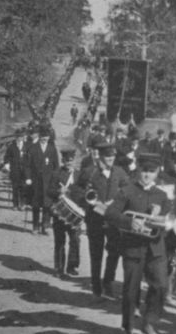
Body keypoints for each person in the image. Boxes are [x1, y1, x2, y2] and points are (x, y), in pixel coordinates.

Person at [104, 153, 172, 334]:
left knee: (160, 286)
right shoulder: (127, 191)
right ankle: (127, 327)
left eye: (151, 172)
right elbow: (110, 213)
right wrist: (129, 222)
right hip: (133, 247)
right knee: (130, 289)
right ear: (138, 170)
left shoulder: (162, 195)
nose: (147, 175)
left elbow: (168, 219)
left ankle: (149, 321)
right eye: (144, 171)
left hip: (156, 249)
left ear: (157, 173)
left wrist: (161, 215)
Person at [73, 141, 131, 300]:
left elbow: (128, 190)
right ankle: (96, 288)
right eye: (108, 156)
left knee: (114, 252)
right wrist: (88, 202)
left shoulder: (120, 172)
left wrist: (117, 202)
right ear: (100, 156)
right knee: (96, 254)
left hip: (113, 220)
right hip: (95, 219)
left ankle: (108, 282)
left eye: (113, 156)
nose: (111, 159)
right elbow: (76, 191)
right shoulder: (89, 172)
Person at [46, 148, 82, 277]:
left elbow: (83, 193)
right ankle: (59, 268)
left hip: (75, 214)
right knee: (59, 241)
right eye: (66, 161)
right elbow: (49, 191)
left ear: (75, 160)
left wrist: (72, 192)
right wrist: (59, 192)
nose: (69, 163)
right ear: (62, 161)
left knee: (75, 241)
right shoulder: (56, 174)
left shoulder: (79, 175)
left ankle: (72, 267)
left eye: (71, 161)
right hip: (60, 213)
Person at [25, 124, 59, 235]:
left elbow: (56, 166)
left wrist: (55, 180)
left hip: (48, 182)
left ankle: (45, 226)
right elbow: (27, 165)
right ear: (39, 136)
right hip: (36, 181)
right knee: (35, 205)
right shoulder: (32, 148)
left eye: (47, 136)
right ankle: (35, 226)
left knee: (46, 204)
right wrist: (28, 177)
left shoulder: (52, 149)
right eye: (43, 136)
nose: (45, 138)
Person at [3, 129, 28, 210]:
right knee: (15, 187)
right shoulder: (11, 147)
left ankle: (22, 203)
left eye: (21, 136)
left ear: (23, 137)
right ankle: (15, 204)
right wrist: (7, 165)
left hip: (24, 170)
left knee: (23, 187)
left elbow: (30, 157)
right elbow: (6, 157)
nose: (19, 138)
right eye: (18, 137)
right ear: (15, 137)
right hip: (15, 170)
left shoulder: (27, 146)